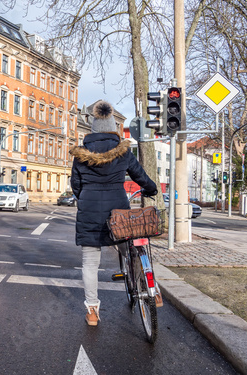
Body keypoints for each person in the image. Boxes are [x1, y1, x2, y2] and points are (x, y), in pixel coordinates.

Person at [70, 100, 158, 326]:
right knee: (131, 246)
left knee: (90, 262)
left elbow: (76, 185)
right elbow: (140, 175)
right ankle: (152, 289)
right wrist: (151, 189)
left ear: (93, 129)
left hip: (89, 210)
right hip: (118, 208)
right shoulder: (123, 152)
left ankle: (92, 311)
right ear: (113, 128)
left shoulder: (81, 154)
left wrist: (85, 198)